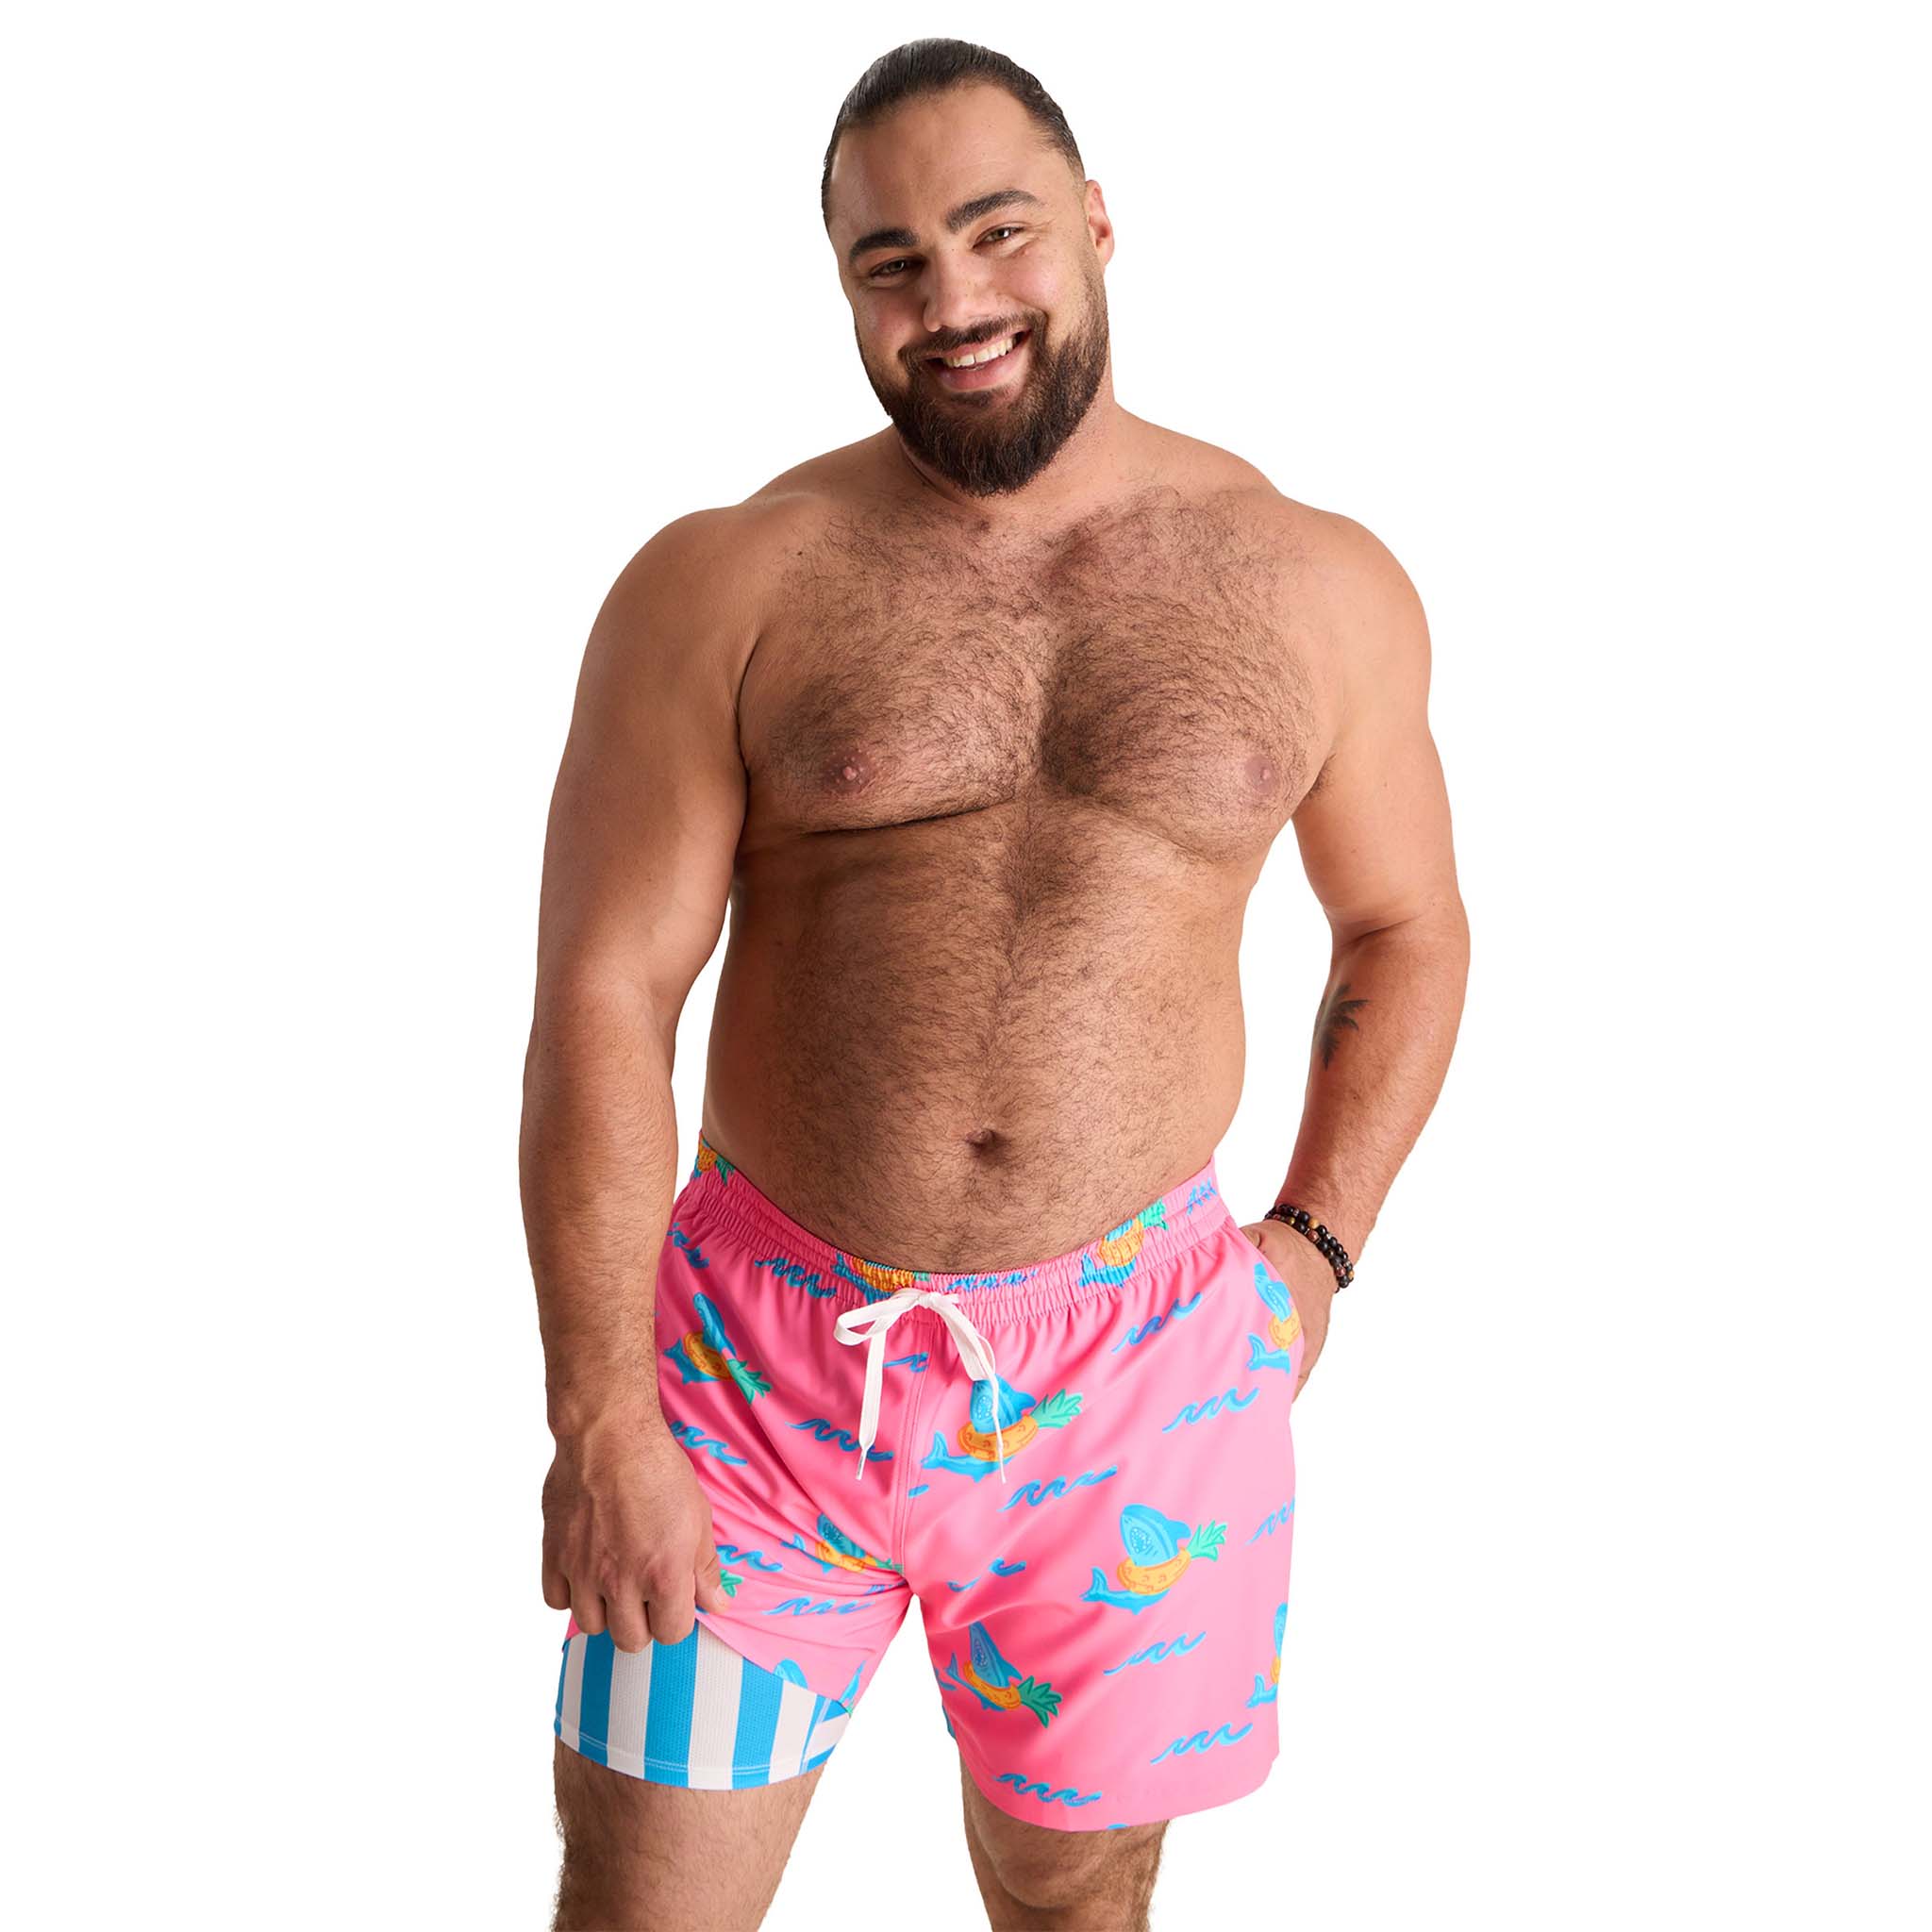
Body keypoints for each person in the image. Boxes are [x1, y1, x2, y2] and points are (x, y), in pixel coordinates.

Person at [520, 37, 1469, 1932]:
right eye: (890, 263)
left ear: (1097, 223)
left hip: (1144, 1381)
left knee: (1071, 1903)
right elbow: (605, 997)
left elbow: (1407, 929)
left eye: (996, 231)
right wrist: (600, 1416)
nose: (950, 300)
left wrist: (1316, 1246)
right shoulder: (726, 582)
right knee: (647, 1908)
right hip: (758, 1379)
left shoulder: (1313, 583)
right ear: (844, 290)